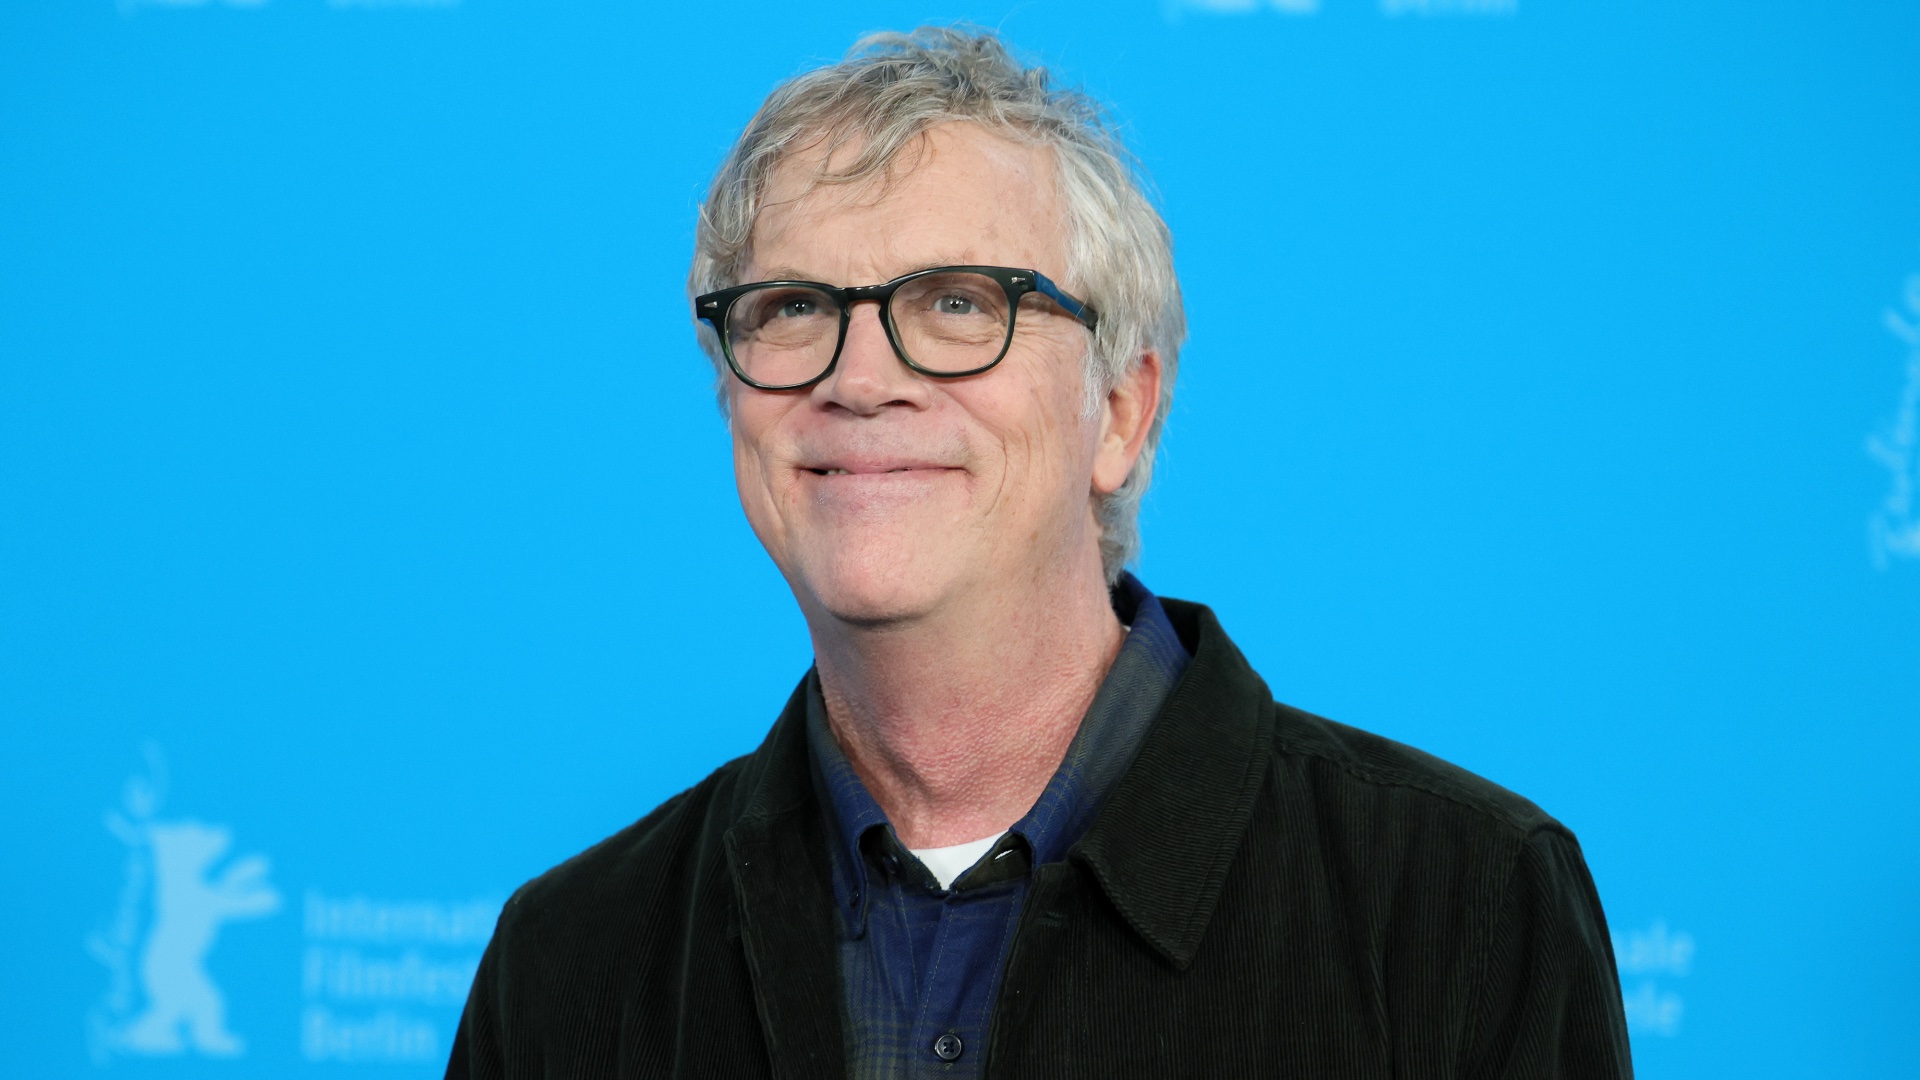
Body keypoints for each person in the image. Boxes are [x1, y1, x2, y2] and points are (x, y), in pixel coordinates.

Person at [447, 26, 1632, 1080]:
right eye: (793, 307)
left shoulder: (1462, 906)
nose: (859, 380)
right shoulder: (570, 963)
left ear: (1120, 412)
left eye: (960, 303)